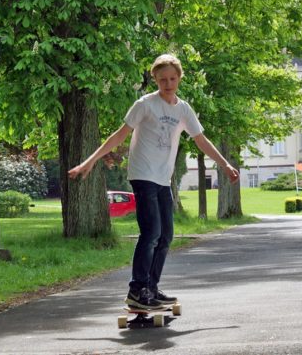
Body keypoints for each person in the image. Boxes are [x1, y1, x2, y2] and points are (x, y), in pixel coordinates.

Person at [68, 54, 240, 309]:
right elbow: (119, 135)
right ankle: (137, 290)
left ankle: (151, 287)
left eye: (172, 79)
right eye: (162, 80)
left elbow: (201, 140)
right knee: (151, 232)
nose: (168, 84)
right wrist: (90, 161)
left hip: (163, 178)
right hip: (142, 174)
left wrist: (224, 163)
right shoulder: (144, 104)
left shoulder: (183, 109)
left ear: (179, 78)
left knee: (167, 235)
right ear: (155, 80)